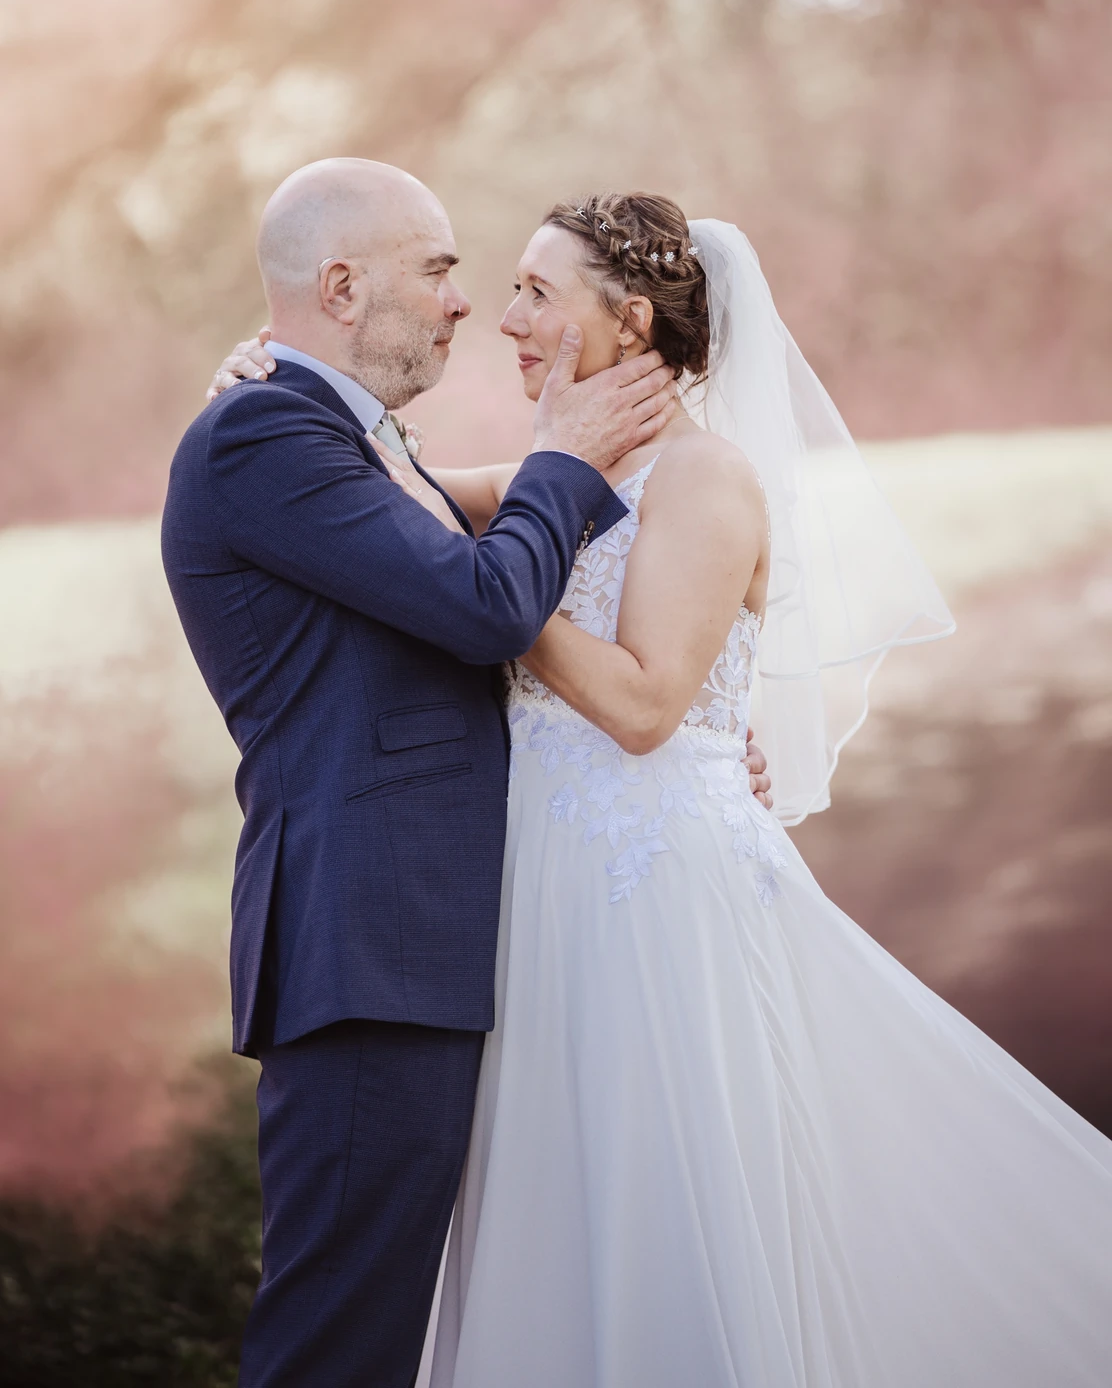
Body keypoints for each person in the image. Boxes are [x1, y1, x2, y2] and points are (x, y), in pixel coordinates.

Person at [215, 187, 1112, 1387]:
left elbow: (640, 705)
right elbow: (392, 504)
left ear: (629, 321)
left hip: (647, 897)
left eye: (538, 291)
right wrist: (265, 384)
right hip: (535, 893)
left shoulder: (705, 480)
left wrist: (494, 590)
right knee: (549, 1204)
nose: (505, 316)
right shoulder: (554, 470)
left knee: (660, 1195)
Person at [163, 158, 772, 1388]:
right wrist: (567, 459)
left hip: (483, 944)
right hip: (371, 945)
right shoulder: (270, 427)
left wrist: (706, 735)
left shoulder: (338, 437)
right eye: (444, 270)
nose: (474, 309)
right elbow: (482, 600)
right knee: (343, 1340)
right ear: (341, 286)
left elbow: (476, 571)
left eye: (517, 288)